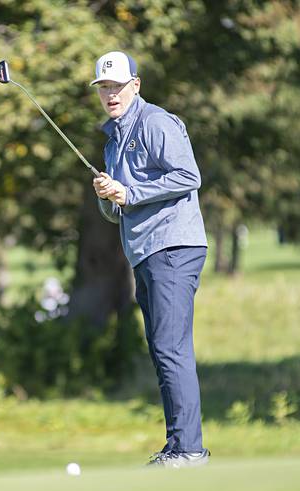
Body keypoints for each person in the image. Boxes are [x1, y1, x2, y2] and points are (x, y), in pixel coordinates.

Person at [90, 51, 210, 468]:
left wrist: (131, 192)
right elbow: (119, 207)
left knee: (172, 348)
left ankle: (190, 449)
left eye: (117, 86)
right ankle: (178, 445)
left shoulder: (156, 122)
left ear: (135, 85)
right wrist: (109, 196)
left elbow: (188, 175)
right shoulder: (113, 139)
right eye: (104, 87)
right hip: (145, 251)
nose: (111, 94)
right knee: (162, 348)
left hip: (173, 246)